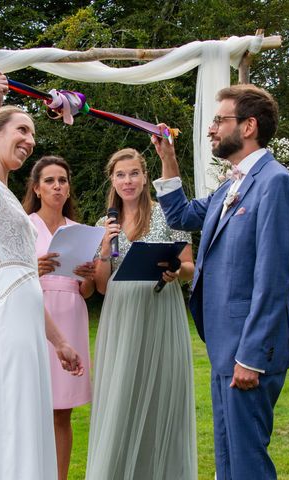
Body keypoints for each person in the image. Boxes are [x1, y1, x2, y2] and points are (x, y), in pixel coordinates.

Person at [151, 84, 289, 480]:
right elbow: (181, 215)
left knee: (247, 463)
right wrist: (167, 158)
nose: (211, 129)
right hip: (224, 345)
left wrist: (251, 356)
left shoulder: (275, 183)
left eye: (219, 119)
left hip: (248, 353)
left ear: (248, 126)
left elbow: (272, 278)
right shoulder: (230, 186)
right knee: (228, 459)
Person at [0, 70, 83, 480]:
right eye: (22, 129)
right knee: (7, 409)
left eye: (33, 133)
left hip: (22, 314)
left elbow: (19, 279)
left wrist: (59, 342)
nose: (29, 139)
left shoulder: (5, 192)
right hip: (7, 321)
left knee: (23, 410)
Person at [85, 148, 198, 480]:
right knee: (122, 394)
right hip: (120, 313)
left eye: (134, 173)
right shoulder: (103, 224)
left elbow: (190, 266)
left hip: (160, 309)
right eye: (120, 175)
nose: (128, 181)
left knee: (163, 391)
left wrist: (177, 270)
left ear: (145, 176)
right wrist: (105, 249)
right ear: (112, 180)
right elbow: (102, 286)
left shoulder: (170, 215)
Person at [22, 155, 95, 480]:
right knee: (28, 405)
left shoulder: (80, 231)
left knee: (60, 412)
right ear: (37, 188)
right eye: (50, 180)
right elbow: (7, 274)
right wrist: (31, 269)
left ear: (68, 189)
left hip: (71, 314)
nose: (57, 186)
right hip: (34, 313)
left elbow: (88, 291)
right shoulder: (24, 226)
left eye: (62, 180)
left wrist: (88, 276)